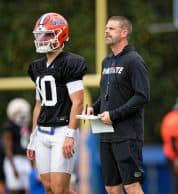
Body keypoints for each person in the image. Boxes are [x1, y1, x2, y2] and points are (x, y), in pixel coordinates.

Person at [86, 16, 150, 194]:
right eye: (106, 28)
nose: (106, 31)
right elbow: (107, 95)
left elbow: (142, 96)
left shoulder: (134, 60)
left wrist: (114, 115)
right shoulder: (106, 61)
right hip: (106, 135)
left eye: (111, 29)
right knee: (111, 188)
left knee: (131, 185)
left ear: (124, 32)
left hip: (127, 135)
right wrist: (95, 107)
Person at [26, 12, 87, 194]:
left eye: (48, 35)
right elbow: (39, 105)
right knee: (49, 188)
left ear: (60, 35)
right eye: (40, 35)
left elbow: (78, 102)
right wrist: (32, 136)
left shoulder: (70, 63)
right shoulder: (36, 67)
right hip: (42, 131)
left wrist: (70, 134)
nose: (43, 39)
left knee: (60, 189)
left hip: (62, 130)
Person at [1, 98, 32, 194]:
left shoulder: (24, 126)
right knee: (15, 190)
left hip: (25, 159)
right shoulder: (9, 127)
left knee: (27, 189)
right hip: (14, 160)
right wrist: (13, 167)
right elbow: (8, 148)